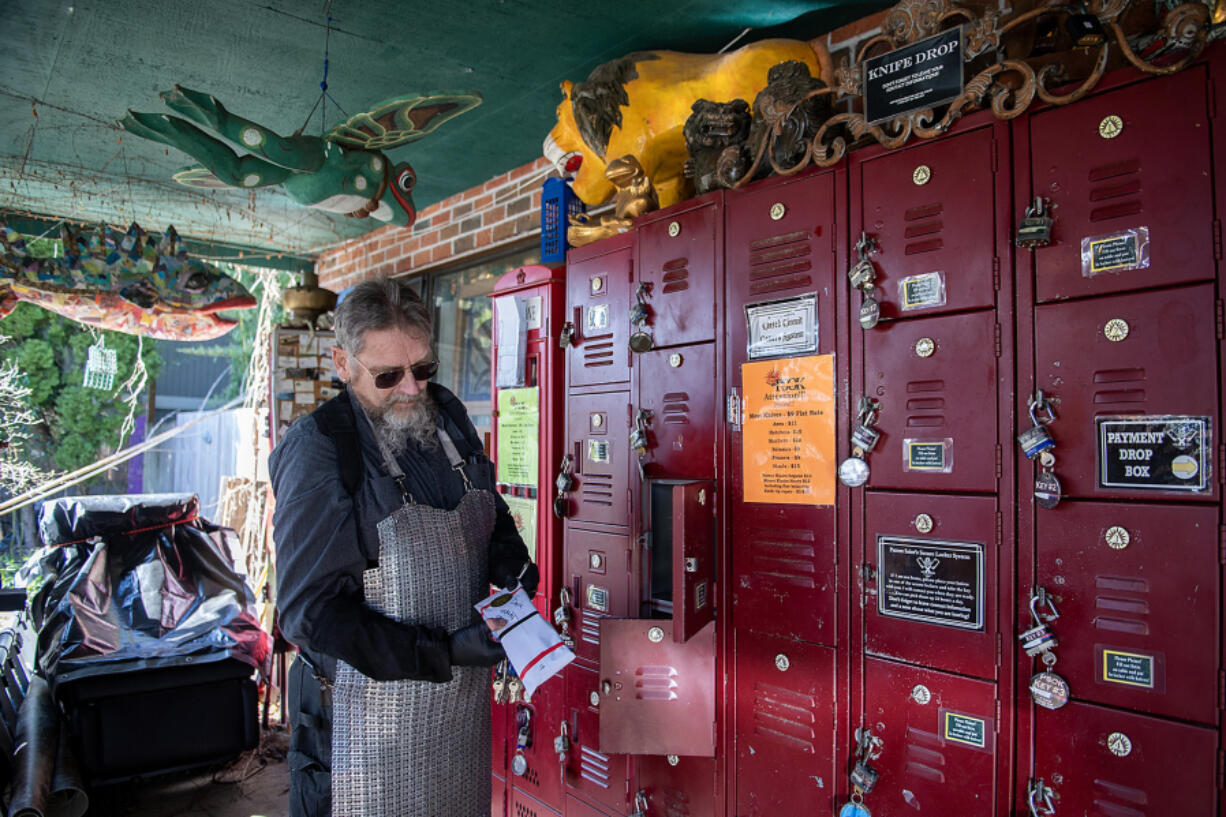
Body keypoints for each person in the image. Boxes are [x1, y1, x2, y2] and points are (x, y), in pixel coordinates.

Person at [270, 277, 537, 817]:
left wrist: (515, 572)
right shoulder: (320, 450)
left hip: (457, 721)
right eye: (389, 375)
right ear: (343, 364)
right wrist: (444, 652)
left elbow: (491, 514)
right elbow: (308, 613)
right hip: (360, 731)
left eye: (423, 369)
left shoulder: (449, 417)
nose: (412, 389)